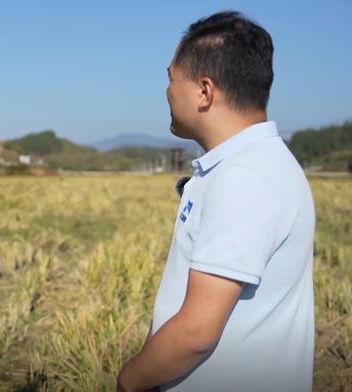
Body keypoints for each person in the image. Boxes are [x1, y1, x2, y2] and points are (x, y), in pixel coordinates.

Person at [117, 11, 315, 392]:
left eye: (171, 79)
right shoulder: (248, 166)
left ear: (204, 91)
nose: (167, 91)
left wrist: (129, 380)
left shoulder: (246, 179)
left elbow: (196, 331)